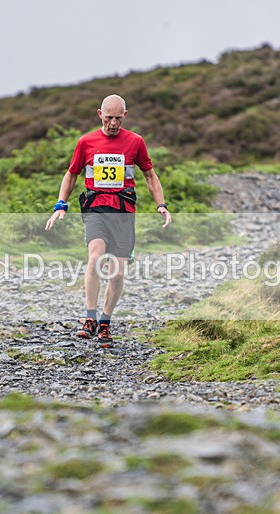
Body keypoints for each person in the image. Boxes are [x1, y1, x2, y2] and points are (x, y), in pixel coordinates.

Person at [45, 94, 172, 348]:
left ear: (125, 115)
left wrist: (161, 205)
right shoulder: (86, 142)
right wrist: (61, 204)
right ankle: (89, 318)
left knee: (117, 271)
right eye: (108, 117)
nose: (113, 123)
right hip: (95, 207)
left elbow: (149, 175)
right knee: (96, 255)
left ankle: (105, 322)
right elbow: (71, 175)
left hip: (123, 211)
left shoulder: (135, 142)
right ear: (99, 114)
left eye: (118, 118)